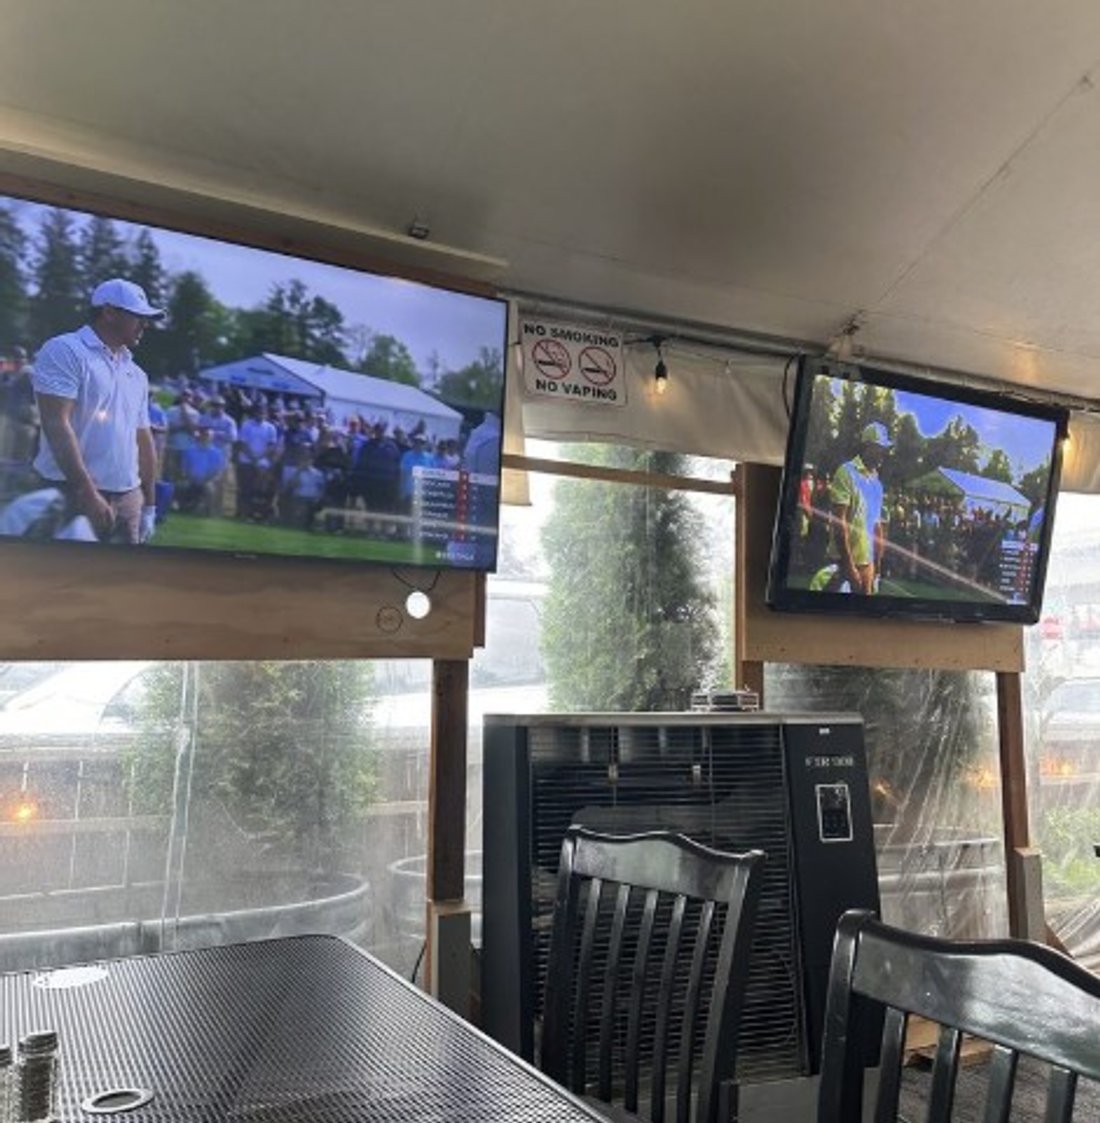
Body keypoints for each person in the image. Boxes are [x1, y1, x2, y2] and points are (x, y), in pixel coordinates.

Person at [31, 278, 164, 544]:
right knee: (57, 582)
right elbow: (57, 424)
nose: (144, 325)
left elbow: (143, 438)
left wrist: (149, 504)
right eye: (137, 316)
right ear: (109, 312)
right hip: (70, 493)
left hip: (128, 497)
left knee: (118, 585)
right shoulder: (65, 350)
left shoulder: (136, 373)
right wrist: (87, 492)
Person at [824, 421, 892, 595]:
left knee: (864, 621)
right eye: (880, 448)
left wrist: (877, 566)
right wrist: (849, 566)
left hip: (866, 564)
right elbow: (840, 523)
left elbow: (876, 527)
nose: (884, 453)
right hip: (841, 563)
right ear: (867, 447)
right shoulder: (846, 472)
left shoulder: (877, 483)